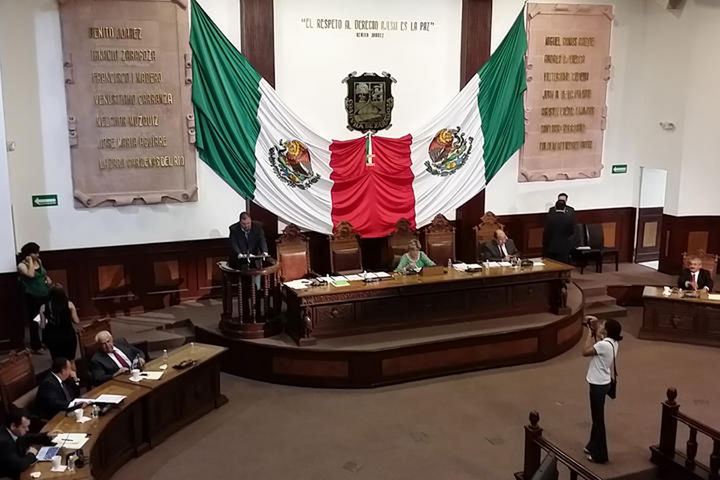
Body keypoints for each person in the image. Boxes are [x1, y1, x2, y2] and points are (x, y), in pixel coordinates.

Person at [582, 317, 623, 464]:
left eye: (602, 325)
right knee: (596, 418)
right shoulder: (613, 342)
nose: (600, 326)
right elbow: (601, 339)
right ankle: (592, 445)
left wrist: (589, 333)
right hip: (604, 382)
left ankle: (600, 455)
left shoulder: (603, 345)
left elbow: (585, 351)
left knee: (598, 420)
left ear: (607, 331)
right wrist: (595, 328)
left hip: (597, 384)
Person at [16, 242, 52, 353]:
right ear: (28, 254)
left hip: (44, 293)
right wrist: (30, 262)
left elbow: (43, 273)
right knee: (34, 320)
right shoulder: (22, 265)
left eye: (38, 253)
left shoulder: (39, 261)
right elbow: (31, 275)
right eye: (35, 253)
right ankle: (36, 346)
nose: (38, 255)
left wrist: (47, 278)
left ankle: (47, 341)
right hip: (32, 296)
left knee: (46, 318)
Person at [0, 408, 54, 480]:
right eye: (24, 427)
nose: (27, 429)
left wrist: (46, 436)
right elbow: (19, 465)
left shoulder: (12, 431)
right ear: (13, 426)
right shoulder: (4, 442)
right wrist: (31, 454)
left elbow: (27, 437)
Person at [40, 285, 81, 361]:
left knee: (57, 362)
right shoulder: (70, 304)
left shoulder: (43, 307)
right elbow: (76, 321)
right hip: (68, 336)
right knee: (71, 361)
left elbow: (42, 326)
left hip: (53, 338)